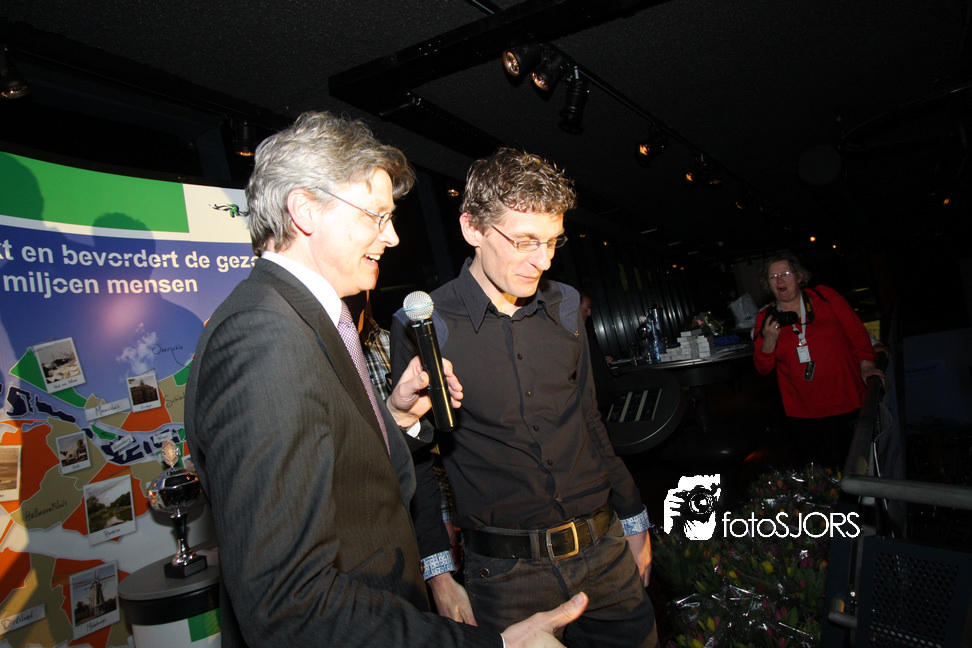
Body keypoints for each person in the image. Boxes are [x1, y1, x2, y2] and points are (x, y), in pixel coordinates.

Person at [184, 113, 587, 648]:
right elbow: (289, 604)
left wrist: (393, 418)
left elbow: (339, 479)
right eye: (376, 216)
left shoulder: (301, 318)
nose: (392, 237)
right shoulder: (264, 334)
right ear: (305, 210)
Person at [390, 148, 658, 647]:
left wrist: (634, 518)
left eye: (553, 241)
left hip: (605, 549)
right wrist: (439, 574)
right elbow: (420, 461)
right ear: (472, 228)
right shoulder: (424, 324)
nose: (544, 259)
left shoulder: (566, 304)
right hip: (507, 576)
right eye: (525, 241)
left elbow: (590, 420)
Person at [752, 251, 885, 470]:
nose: (780, 280)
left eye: (785, 273)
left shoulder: (825, 297)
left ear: (799, 276)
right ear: (768, 284)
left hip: (847, 401)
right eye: (773, 277)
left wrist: (867, 365)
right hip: (803, 413)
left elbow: (857, 333)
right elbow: (762, 368)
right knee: (820, 478)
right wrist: (769, 341)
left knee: (856, 471)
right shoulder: (765, 317)